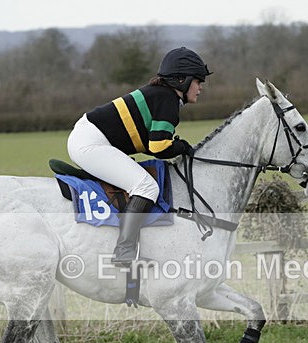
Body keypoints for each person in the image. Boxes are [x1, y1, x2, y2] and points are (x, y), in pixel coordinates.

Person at [67, 47, 212, 267]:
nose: (201, 87)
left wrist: (176, 146)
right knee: (147, 187)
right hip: (91, 143)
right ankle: (124, 252)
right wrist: (182, 146)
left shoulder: (162, 95)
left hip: (87, 136)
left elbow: (151, 143)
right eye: (198, 81)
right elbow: (159, 147)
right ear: (182, 80)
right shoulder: (168, 101)